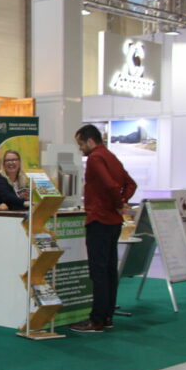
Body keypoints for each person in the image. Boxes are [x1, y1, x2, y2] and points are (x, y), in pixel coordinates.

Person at [71, 124, 136, 334]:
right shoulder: (111, 156)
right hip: (113, 222)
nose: (80, 148)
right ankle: (107, 316)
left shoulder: (95, 158)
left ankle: (97, 319)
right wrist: (122, 202)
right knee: (109, 270)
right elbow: (130, 184)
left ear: (90, 141)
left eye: (81, 144)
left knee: (98, 271)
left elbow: (110, 185)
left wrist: (118, 203)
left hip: (99, 219)